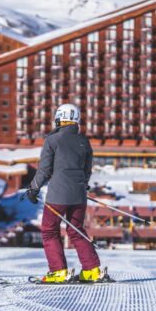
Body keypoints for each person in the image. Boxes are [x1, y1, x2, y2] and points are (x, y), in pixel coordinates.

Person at [26, 103, 106, 283]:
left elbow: (44, 169)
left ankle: (58, 271)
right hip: (78, 195)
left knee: (49, 230)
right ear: (77, 119)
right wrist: (82, 185)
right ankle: (92, 270)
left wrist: (33, 188)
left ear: (59, 118)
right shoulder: (84, 141)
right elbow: (87, 170)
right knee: (76, 230)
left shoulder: (52, 140)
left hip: (58, 196)